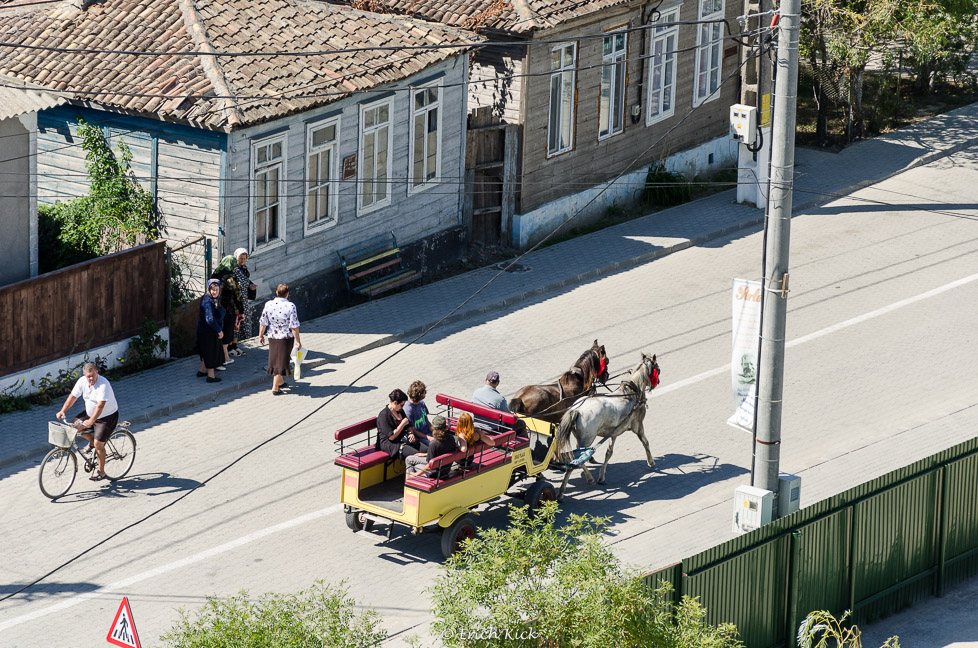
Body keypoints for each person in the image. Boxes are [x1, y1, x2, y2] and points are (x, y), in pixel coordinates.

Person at [56, 362, 119, 481]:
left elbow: (100, 406)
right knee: (72, 427)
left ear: (97, 372)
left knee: (98, 444)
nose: (91, 378)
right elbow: (73, 397)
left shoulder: (103, 384)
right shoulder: (82, 381)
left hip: (107, 417)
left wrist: (91, 421)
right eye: (88, 376)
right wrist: (62, 411)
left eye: (93, 375)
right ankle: (90, 441)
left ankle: (101, 472)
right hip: (90, 413)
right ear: (84, 375)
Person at [258, 283, 301, 395]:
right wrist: (298, 341)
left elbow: (263, 322)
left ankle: (280, 382)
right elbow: (294, 326)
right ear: (287, 294)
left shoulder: (268, 304)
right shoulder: (291, 306)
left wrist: (261, 335)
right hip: (285, 338)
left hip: (272, 336)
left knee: (275, 359)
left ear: (276, 292)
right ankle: (275, 387)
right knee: (281, 362)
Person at [212, 255, 243, 369]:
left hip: (215, 309)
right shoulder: (231, 279)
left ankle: (220, 357)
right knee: (227, 332)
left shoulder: (215, 276)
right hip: (229, 310)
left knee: (218, 332)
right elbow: (237, 296)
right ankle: (225, 357)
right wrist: (241, 311)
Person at [377, 388, 424, 460]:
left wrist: (410, 433)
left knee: (426, 450)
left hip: (402, 439)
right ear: (395, 403)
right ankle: (414, 470)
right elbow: (391, 437)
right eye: (402, 405)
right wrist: (402, 424)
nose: (403, 407)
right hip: (390, 444)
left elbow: (408, 425)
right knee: (417, 455)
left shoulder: (400, 411)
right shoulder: (384, 415)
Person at [196, 279, 225, 383]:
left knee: (205, 352)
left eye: (216, 289)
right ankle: (211, 376)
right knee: (211, 353)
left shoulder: (213, 299)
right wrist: (219, 330)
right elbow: (210, 319)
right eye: (212, 289)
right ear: (209, 289)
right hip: (207, 332)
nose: (215, 292)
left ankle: (202, 370)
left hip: (204, 331)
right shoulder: (208, 301)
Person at [231, 248, 257, 346]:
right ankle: (233, 344)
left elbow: (246, 281)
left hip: (244, 300)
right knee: (236, 322)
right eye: (240, 258)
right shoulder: (235, 270)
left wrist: (251, 286)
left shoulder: (244, 269)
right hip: (237, 300)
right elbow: (240, 283)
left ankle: (244, 341)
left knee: (244, 320)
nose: (242, 260)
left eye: (244, 258)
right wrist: (248, 285)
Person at [402, 380, 432, 446]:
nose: (426, 393)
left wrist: (434, 429)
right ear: (420, 395)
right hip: (420, 436)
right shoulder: (408, 409)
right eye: (425, 392)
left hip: (428, 432)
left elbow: (426, 420)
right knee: (435, 446)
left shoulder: (421, 403)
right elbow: (414, 431)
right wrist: (428, 437)